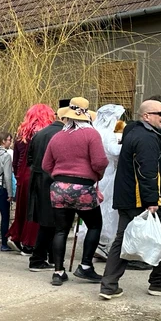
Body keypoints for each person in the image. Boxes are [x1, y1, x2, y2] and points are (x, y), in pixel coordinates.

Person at [99, 99, 161, 299]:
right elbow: (147, 171)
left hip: (130, 198)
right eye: (160, 113)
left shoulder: (139, 133)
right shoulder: (145, 138)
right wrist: (152, 200)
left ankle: (109, 285)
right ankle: (159, 282)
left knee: (122, 240)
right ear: (146, 116)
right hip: (142, 200)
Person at [42, 97, 108, 286]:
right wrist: (97, 174)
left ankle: (58, 271)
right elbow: (99, 162)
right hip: (83, 187)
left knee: (61, 230)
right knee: (95, 225)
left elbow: (46, 165)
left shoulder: (57, 137)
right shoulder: (91, 135)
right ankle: (86, 266)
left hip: (59, 187)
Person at [7, 104, 55, 255]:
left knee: (22, 208)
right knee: (35, 210)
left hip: (22, 175)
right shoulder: (46, 134)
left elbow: (16, 160)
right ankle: (30, 243)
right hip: (38, 173)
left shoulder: (22, 134)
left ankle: (16, 236)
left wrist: (18, 176)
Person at [25, 102, 67, 271]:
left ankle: (46, 256)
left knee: (48, 222)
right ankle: (38, 259)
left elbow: (29, 160)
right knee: (51, 222)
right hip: (52, 180)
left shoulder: (40, 134)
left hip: (38, 180)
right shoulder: (62, 135)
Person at [91, 104, 126, 260]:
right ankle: (103, 242)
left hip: (96, 174)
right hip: (109, 173)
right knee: (108, 208)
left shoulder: (94, 131)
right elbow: (114, 151)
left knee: (96, 207)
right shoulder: (109, 133)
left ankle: (94, 241)